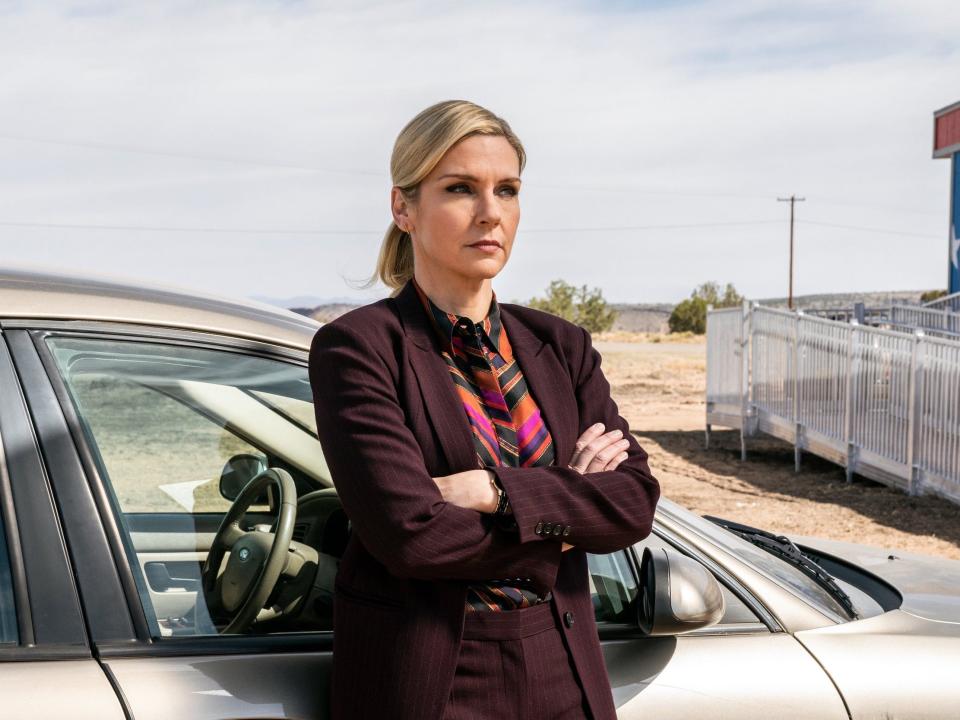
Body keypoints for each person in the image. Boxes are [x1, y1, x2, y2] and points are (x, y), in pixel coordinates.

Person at [309, 99, 660, 720]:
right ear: (403, 208)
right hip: (431, 683)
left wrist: (494, 493)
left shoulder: (561, 346)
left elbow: (632, 502)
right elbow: (410, 537)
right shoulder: (358, 349)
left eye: (507, 189)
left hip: (566, 672)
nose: (491, 212)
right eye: (460, 188)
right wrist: (566, 512)